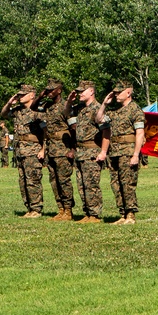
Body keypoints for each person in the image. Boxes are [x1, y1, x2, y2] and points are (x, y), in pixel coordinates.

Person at [97, 80, 145, 224]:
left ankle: (130, 215)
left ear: (128, 92)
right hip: (114, 153)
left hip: (128, 152)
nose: (116, 94)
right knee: (116, 184)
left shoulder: (135, 110)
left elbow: (140, 133)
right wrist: (104, 104)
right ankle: (123, 213)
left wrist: (136, 155)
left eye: (119, 92)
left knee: (127, 183)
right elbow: (98, 119)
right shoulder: (114, 111)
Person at [67, 80, 109, 223]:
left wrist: (103, 151)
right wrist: (69, 101)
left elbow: (106, 131)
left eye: (82, 91)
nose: (79, 94)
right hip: (80, 152)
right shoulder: (80, 108)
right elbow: (65, 113)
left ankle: (95, 214)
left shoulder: (98, 109)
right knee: (81, 184)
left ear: (91, 91)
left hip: (92, 151)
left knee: (91, 184)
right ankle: (88, 213)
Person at [1, 84, 45, 217]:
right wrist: (9, 103)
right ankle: (29, 208)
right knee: (23, 181)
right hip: (20, 151)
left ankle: (36, 209)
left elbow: (45, 132)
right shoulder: (17, 110)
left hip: (33, 150)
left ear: (32, 95)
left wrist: (43, 149)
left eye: (23, 94)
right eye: (19, 94)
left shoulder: (38, 110)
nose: (20, 96)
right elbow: (3, 114)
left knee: (33, 180)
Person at [34, 79, 76, 221]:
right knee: (53, 179)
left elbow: (73, 128)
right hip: (51, 147)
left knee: (64, 180)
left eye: (51, 90)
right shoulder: (47, 106)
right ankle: (61, 208)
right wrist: (40, 96)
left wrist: (73, 148)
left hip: (63, 148)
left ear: (59, 90)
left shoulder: (66, 106)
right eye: (47, 90)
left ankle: (68, 210)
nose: (49, 92)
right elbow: (32, 109)